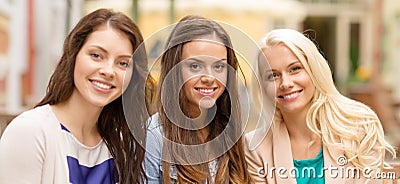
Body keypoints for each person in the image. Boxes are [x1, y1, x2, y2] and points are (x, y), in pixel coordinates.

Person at [0, 8, 150, 183]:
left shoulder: (121, 144)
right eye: (96, 55)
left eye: (123, 63)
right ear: (74, 55)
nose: (109, 71)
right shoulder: (31, 132)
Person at [244, 28, 396, 184]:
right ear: (262, 86)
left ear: (313, 70)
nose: (286, 84)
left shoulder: (360, 126)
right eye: (273, 75)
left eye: (295, 69)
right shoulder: (255, 147)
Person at [145, 15, 251, 183]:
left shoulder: (231, 131)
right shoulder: (154, 136)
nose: (209, 77)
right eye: (195, 66)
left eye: (218, 66)